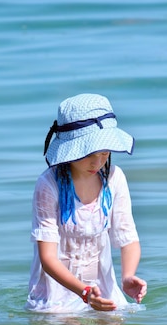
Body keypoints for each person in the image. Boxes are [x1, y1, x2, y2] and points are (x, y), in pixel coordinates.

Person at [25, 93, 147, 313]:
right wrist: (83, 293)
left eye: (104, 152)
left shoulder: (114, 178)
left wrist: (128, 276)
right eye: (89, 153)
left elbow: (128, 237)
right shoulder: (48, 185)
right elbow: (47, 258)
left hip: (104, 291)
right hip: (57, 296)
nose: (98, 162)